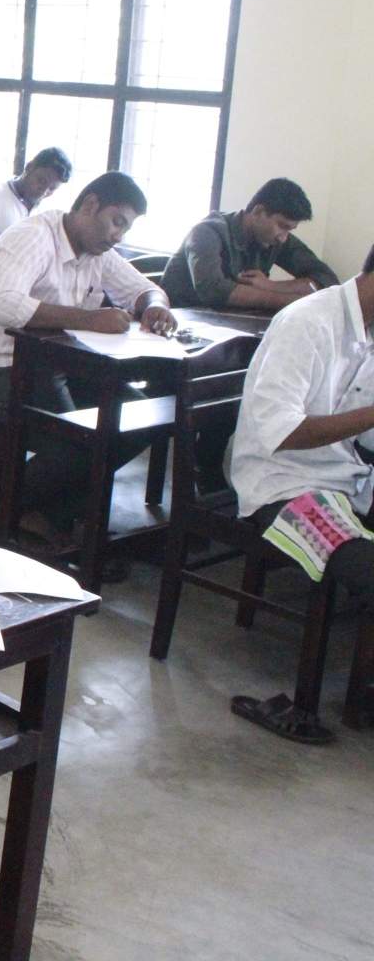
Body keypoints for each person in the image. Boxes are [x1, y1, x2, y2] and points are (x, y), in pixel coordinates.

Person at [0, 172, 177, 544]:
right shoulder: (34, 237)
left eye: (126, 228)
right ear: (90, 205)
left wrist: (153, 307)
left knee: (138, 418)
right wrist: (89, 319)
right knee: (75, 435)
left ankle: (47, 510)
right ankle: (17, 510)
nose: (118, 235)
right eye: (116, 221)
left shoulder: (98, 252)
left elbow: (145, 289)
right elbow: (2, 304)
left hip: (52, 368)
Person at [226, 244, 374, 741]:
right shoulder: (308, 323)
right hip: (282, 484)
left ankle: (362, 694)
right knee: (361, 563)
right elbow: (280, 432)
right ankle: (305, 703)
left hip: (343, 475)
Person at [160, 178, 337, 312]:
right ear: (258, 211)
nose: (284, 237)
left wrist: (272, 286)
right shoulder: (206, 232)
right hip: (179, 329)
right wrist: (294, 301)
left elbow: (326, 279)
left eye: (289, 230)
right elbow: (213, 290)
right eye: (282, 226)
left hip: (231, 328)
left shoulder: (276, 238)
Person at [0, 146, 72, 240]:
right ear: (29, 168)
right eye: (41, 181)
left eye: (51, 189)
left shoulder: (45, 215)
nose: (43, 191)